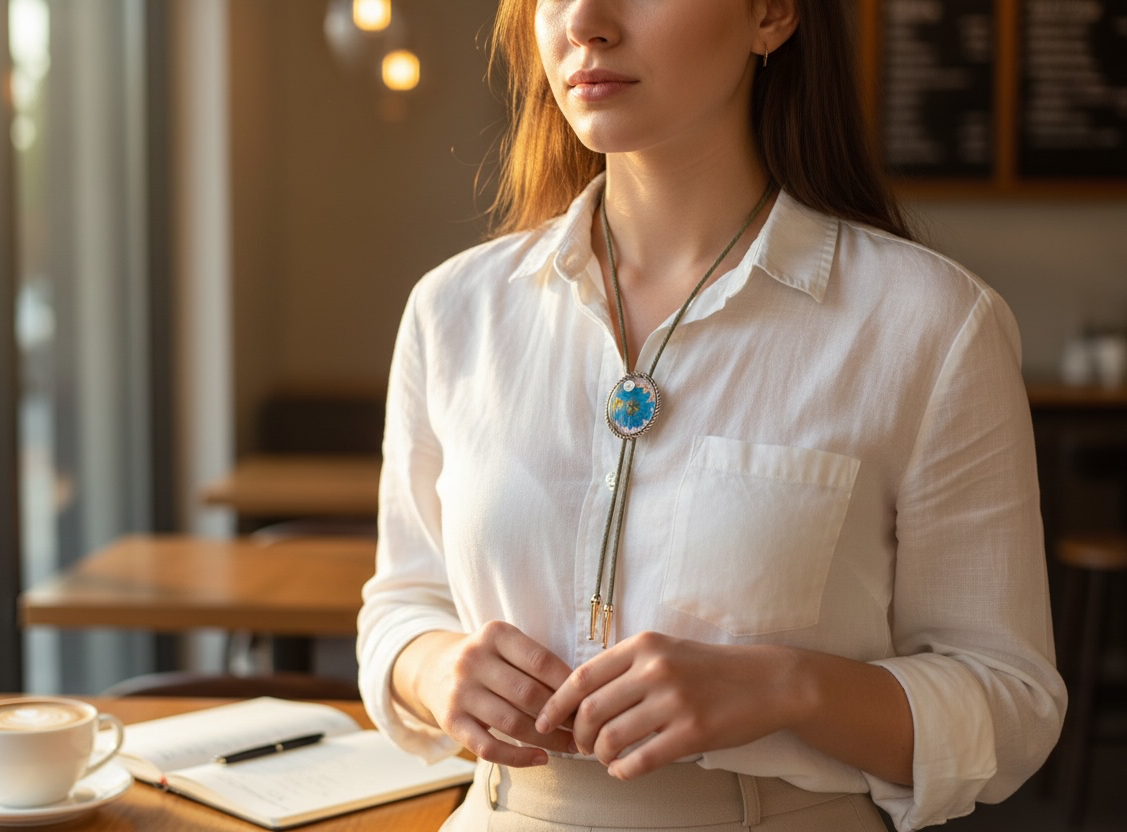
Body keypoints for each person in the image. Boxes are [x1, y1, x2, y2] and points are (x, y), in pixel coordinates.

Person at [356, 1, 1066, 830]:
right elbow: (400, 604)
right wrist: (434, 667)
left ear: (771, 15)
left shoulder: (931, 323)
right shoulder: (456, 310)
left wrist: (786, 687)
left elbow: (1012, 706)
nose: (585, 19)